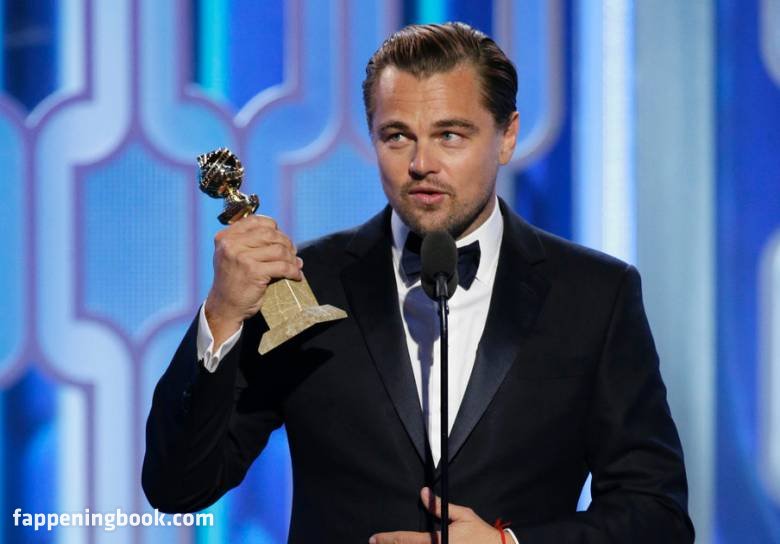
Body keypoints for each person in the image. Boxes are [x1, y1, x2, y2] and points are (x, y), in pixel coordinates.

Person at [142, 22, 694, 543]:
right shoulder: (303, 285)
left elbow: (657, 514)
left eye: (450, 135)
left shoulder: (595, 295)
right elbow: (178, 487)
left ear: (506, 136)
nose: (421, 163)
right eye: (397, 136)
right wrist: (222, 316)